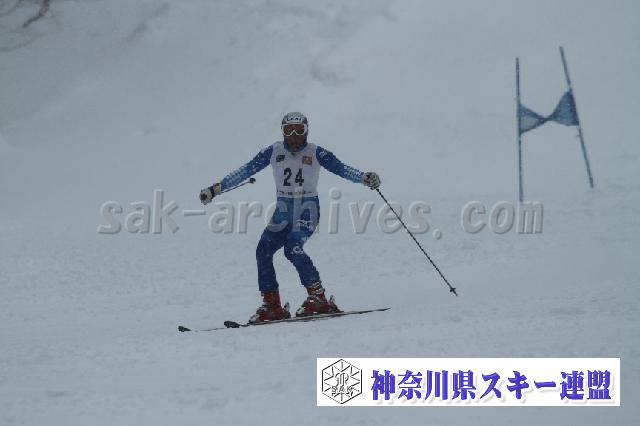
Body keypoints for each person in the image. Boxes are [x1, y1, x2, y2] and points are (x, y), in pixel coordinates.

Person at [200, 112, 381, 323]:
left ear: (306, 131)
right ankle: (272, 305)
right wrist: (216, 189)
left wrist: (364, 177)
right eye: (288, 130)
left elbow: (341, 168)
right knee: (263, 250)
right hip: (283, 210)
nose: (294, 135)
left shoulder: (316, 152)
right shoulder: (273, 151)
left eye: (298, 130)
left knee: (293, 248)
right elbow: (245, 170)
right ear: (282, 132)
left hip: (307, 209)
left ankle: (319, 298)